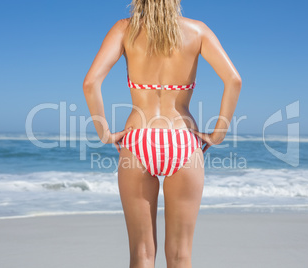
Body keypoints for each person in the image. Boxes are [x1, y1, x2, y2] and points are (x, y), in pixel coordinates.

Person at [83, 0, 242, 267]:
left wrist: (105, 133)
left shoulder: (125, 29)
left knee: (142, 254)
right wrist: (218, 135)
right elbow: (234, 80)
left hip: (138, 139)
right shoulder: (198, 31)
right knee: (180, 256)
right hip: (182, 138)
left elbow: (90, 83)